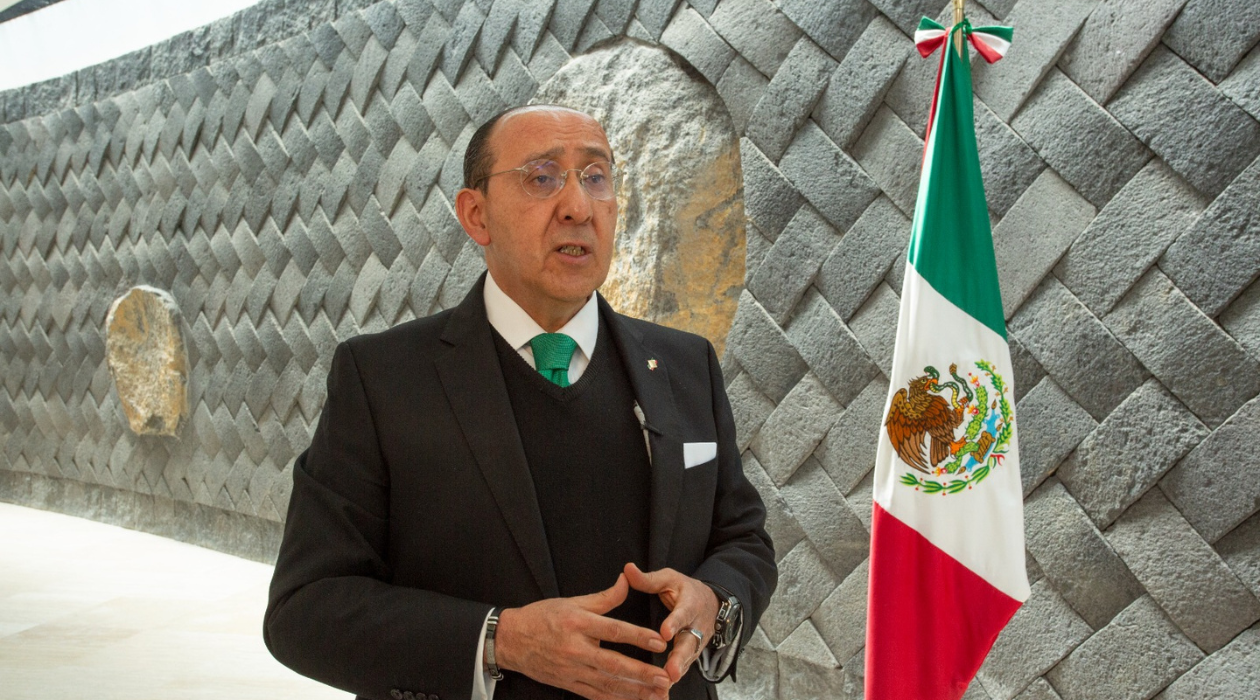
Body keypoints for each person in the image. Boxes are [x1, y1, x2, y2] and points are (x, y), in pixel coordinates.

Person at [263, 104, 776, 700]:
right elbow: (306, 609)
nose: (579, 207)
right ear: (475, 215)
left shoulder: (686, 365)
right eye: (542, 177)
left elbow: (743, 537)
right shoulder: (381, 378)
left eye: (596, 176)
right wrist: (499, 639)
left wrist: (714, 598)